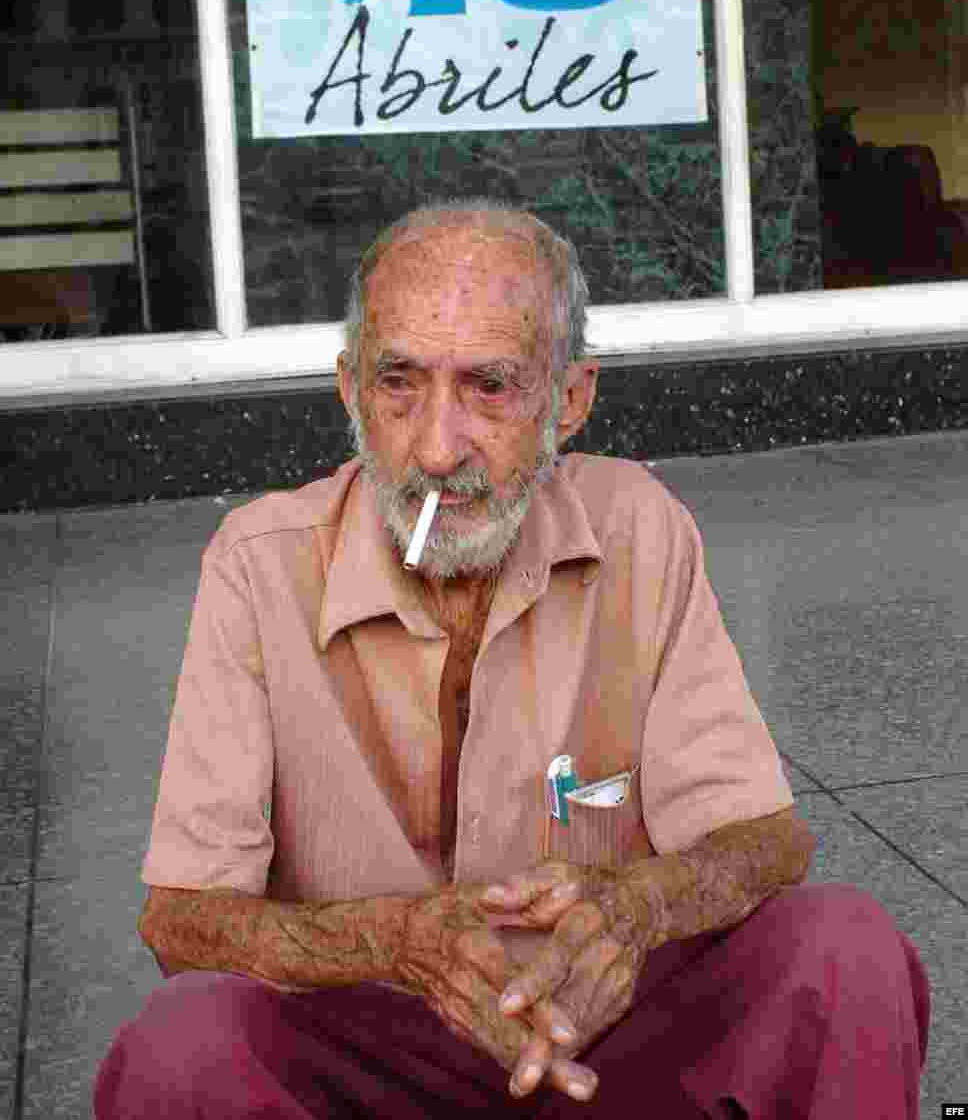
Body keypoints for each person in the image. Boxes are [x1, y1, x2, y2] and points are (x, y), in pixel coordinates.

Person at [95, 200, 929, 1119]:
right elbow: (181, 919)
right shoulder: (259, 565)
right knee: (180, 1047)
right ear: (349, 391)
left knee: (843, 948)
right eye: (398, 383)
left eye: (488, 387)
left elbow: (766, 839)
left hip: (605, 1035)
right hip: (372, 1046)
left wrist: (634, 906)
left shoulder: (639, 530)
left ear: (570, 400)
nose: (435, 449)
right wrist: (401, 940)